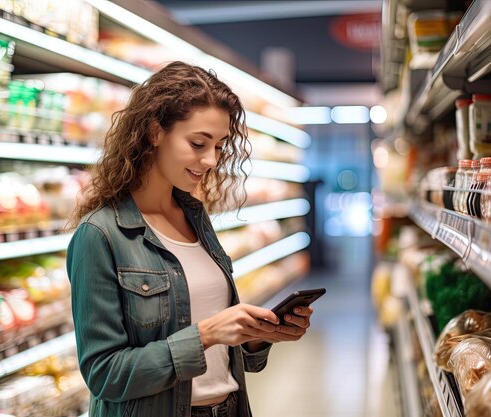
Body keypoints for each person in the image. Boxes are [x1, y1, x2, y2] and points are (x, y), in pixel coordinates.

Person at [66, 61, 314, 417]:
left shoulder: (196, 218)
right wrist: (205, 334)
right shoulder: (101, 235)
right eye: (198, 143)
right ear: (154, 132)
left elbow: (219, 355)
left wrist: (257, 336)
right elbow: (105, 375)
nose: (211, 159)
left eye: (219, 145)